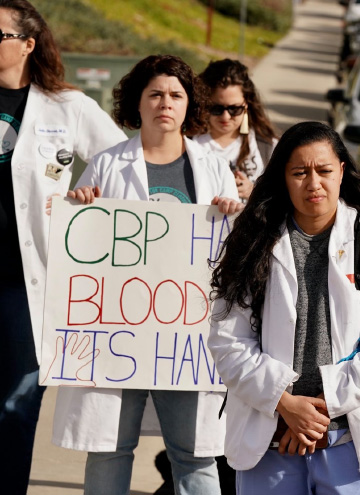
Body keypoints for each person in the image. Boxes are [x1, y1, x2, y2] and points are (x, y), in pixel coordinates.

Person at [52, 54, 242, 495]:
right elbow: (83, 247)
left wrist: (236, 214)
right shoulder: (107, 165)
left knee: (194, 454)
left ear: (188, 104)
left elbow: (234, 255)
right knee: (109, 448)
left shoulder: (213, 168)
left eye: (176, 95)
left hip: (185, 337)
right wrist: (81, 208)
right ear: (136, 102)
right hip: (117, 335)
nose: (165, 103)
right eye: (155, 94)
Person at [208, 121, 360, 494]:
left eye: (323, 171)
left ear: (341, 171)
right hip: (269, 447)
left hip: (354, 450)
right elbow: (228, 342)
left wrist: (316, 413)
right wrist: (284, 404)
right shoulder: (252, 240)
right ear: (282, 178)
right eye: (299, 172)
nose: (313, 183)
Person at [0, 1, 126, 492]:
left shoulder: (67, 108)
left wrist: (91, 195)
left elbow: (124, 170)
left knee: (14, 406)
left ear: (27, 45)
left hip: (26, 287)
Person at [194, 58, 278, 202]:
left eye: (234, 109)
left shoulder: (268, 146)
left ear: (247, 105)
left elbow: (286, 198)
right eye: (216, 108)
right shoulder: (187, 144)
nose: (225, 116)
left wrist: (254, 191)